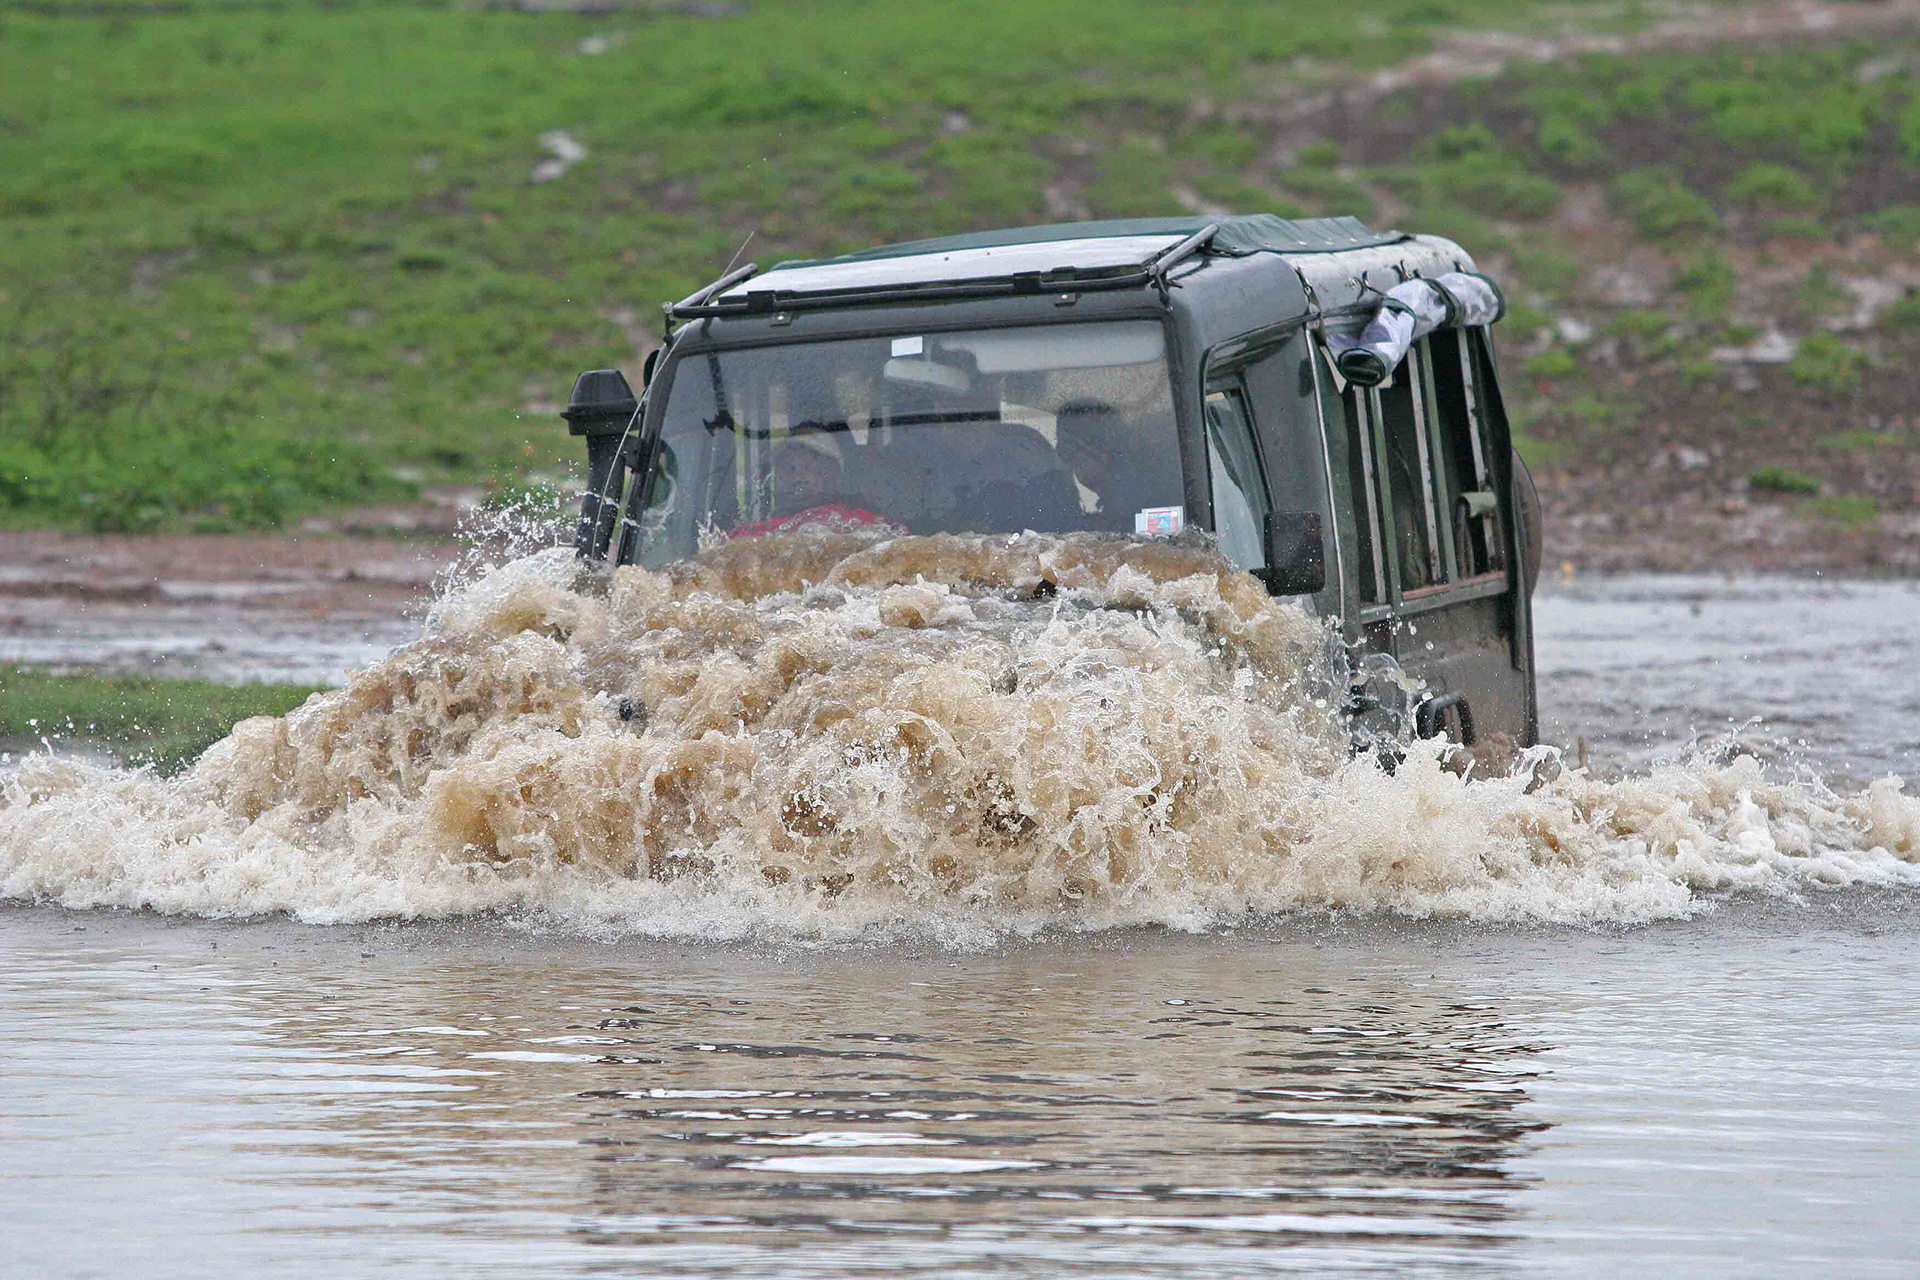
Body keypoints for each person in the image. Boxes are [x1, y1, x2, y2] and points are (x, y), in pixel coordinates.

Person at [728, 422, 899, 539]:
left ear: (834, 474)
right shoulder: (753, 536)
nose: (798, 478)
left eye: (809, 468)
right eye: (789, 469)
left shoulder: (870, 528)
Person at [1052, 399, 1173, 532]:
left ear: (1101, 449)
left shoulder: (1146, 508)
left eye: (1067, 448)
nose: (1064, 459)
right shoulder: (1118, 505)